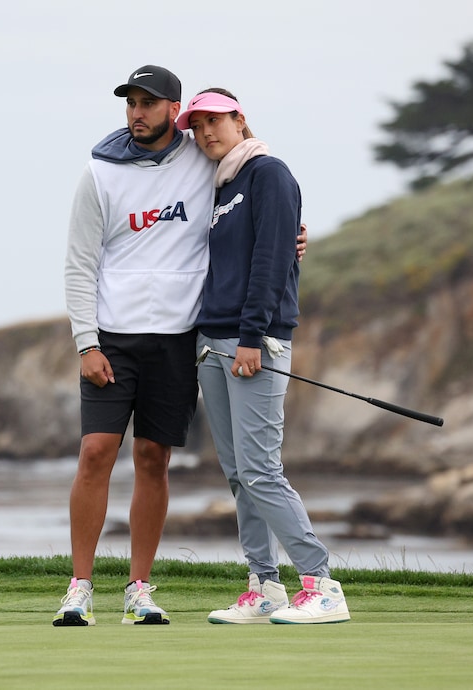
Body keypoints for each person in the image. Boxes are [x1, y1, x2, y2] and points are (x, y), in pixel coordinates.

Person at [57, 66, 307, 627]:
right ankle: (78, 587)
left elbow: (254, 209)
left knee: (153, 459)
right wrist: (85, 341)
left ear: (176, 111)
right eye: (130, 104)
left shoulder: (206, 161)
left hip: (179, 339)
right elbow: (79, 264)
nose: (136, 113)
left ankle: (139, 589)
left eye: (149, 103)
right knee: (96, 452)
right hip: (111, 339)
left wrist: (294, 233)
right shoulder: (99, 172)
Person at [181, 88, 350, 624]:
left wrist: (252, 337)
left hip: (254, 341)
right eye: (198, 125)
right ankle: (264, 585)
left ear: (239, 120)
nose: (206, 132)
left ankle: (321, 584)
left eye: (215, 121)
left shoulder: (268, 173)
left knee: (260, 469)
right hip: (211, 342)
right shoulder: (215, 187)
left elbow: (272, 260)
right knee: (237, 473)